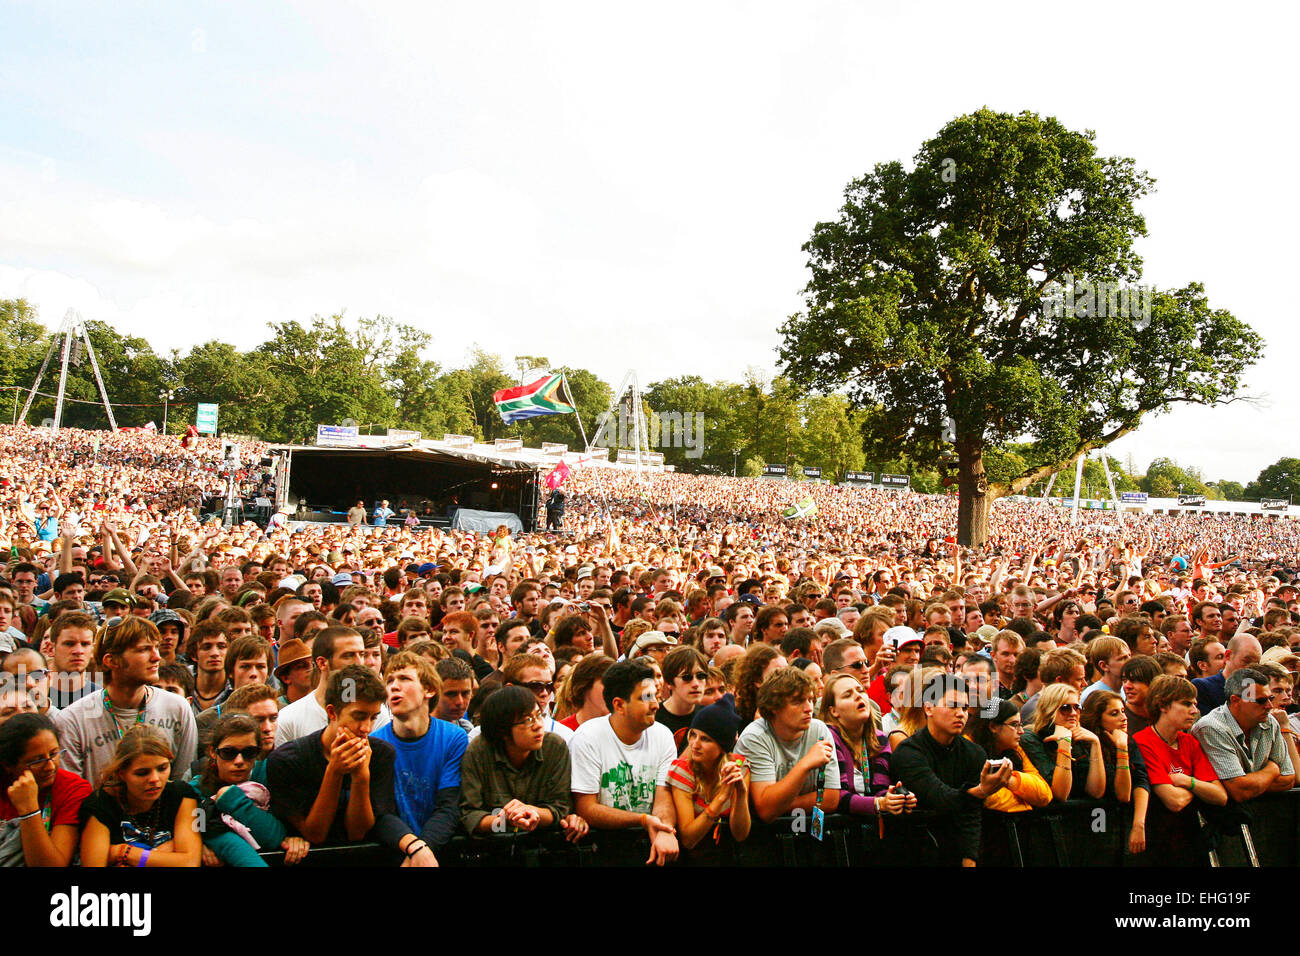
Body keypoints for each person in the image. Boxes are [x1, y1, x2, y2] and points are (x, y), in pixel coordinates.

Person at [267, 666, 434, 864]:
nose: (367, 728)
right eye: (358, 716)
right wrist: (334, 773)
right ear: (332, 712)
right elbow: (315, 834)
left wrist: (361, 778)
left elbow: (358, 832)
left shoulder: (381, 754)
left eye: (373, 717)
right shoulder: (288, 760)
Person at [55, 616, 198, 788]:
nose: (156, 657)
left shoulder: (177, 708)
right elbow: (74, 795)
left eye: (156, 648)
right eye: (144, 650)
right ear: (111, 660)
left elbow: (182, 785)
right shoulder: (72, 720)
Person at [891, 672, 1013, 866]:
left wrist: (969, 859)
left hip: (957, 848)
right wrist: (981, 791)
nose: (961, 714)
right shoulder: (908, 753)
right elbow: (939, 797)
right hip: (915, 850)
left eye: (965, 708)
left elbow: (972, 816)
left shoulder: (974, 753)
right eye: (953, 705)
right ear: (928, 708)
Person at [569, 659, 679, 865]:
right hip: (602, 850)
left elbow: (663, 797)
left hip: (647, 849)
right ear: (619, 705)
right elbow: (587, 808)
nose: (656, 704)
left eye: (655, 695)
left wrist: (664, 830)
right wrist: (643, 820)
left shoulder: (663, 735)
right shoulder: (588, 737)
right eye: (646, 698)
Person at [459, 685, 586, 841]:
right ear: (502, 731)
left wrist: (532, 812)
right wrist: (505, 821)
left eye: (539, 716)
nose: (538, 725)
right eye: (527, 720)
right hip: (495, 846)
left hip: (544, 843)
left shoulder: (554, 747)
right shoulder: (479, 752)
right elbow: (469, 815)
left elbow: (561, 809)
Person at [371, 652, 467, 856]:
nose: (394, 686)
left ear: (429, 690)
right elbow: (381, 814)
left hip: (439, 850)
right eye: (389, 681)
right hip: (394, 851)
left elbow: (449, 807)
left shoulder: (454, 738)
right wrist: (415, 850)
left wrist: (423, 851)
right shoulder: (375, 744)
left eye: (404, 679)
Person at [191, 713, 309, 867]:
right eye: (229, 753)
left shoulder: (270, 776)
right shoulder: (196, 789)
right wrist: (200, 844)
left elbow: (273, 838)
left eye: (249, 753)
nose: (239, 761)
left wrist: (231, 798)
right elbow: (198, 830)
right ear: (213, 752)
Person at [1133, 675, 1228, 866]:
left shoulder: (1189, 742)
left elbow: (1220, 796)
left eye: (1195, 704)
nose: (1195, 711)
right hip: (1156, 844)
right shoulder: (1141, 742)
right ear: (1162, 705)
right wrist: (1199, 788)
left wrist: (1186, 781)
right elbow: (1173, 801)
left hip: (1190, 841)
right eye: (1186, 704)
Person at [79, 725, 202, 867]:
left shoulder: (181, 795)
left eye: (162, 768)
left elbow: (190, 863)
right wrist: (166, 856)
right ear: (122, 773)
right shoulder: (100, 804)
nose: (155, 779)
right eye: (142, 773)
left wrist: (125, 852)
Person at [735, 666, 841, 823]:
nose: (809, 708)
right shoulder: (755, 737)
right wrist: (805, 765)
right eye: (798, 702)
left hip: (805, 828)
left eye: (810, 700)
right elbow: (765, 810)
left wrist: (780, 803)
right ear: (774, 707)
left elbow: (831, 798)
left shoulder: (819, 730)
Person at [1190, 667, 1296, 803]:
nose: (1269, 706)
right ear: (1235, 701)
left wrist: (1249, 784)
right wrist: (1273, 768)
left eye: (1270, 698)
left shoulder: (1269, 722)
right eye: (1261, 701)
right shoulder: (1211, 728)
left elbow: (1288, 779)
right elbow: (1240, 791)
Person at [667, 693, 751, 858]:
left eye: (705, 739)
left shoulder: (739, 767)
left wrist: (741, 793)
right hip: (690, 858)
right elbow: (688, 840)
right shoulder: (683, 770)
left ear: (722, 746)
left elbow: (740, 834)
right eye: (693, 735)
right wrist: (720, 799)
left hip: (727, 854)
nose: (694, 745)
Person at [0, 713, 91, 866]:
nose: (50, 766)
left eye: (54, 754)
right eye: (37, 761)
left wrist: (29, 811)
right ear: (8, 766)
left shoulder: (73, 788)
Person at [275, 625, 390, 746]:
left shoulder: (376, 712)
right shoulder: (289, 719)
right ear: (322, 662)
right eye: (348, 655)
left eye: (361, 654)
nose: (360, 662)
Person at [818, 673, 910, 817]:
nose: (858, 696)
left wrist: (894, 797)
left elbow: (880, 787)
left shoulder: (879, 738)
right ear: (833, 711)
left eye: (860, 690)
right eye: (847, 695)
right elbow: (838, 797)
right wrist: (879, 803)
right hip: (837, 830)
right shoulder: (827, 738)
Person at [1080, 689, 1151, 854]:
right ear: (1097, 718)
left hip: (1123, 823)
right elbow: (1123, 794)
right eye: (1114, 713)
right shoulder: (1086, 743)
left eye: (1123, 711)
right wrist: (1121, 750)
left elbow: (1141, 780)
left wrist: (1139, 824)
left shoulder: (1127, 741)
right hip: (1094, 825)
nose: (1123, 718)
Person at [1021, 684, 1105, 802]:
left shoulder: (1081, 736)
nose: (1073, 713)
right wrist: (1064, 743)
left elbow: (1096, 792)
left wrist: (1096, 744)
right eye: (1065, 708)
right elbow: (1060, 794)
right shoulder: (1030, 738)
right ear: (1049, 710)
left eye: (1077, 707)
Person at [966, 698, 1052, 813]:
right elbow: (993, 799)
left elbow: (1045, 794)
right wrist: (1027, 802)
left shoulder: (1015, 750)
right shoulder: (968, 748)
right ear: (993, 727)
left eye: (1020, 724)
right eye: (1014, 724)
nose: (1021, 731)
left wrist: (1009, 779)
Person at [657, 646, 709, 753]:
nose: (695, 684)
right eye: (686, 677)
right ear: (669, 682)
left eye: (701, 676)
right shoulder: (653, 718)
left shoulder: (709, 716)